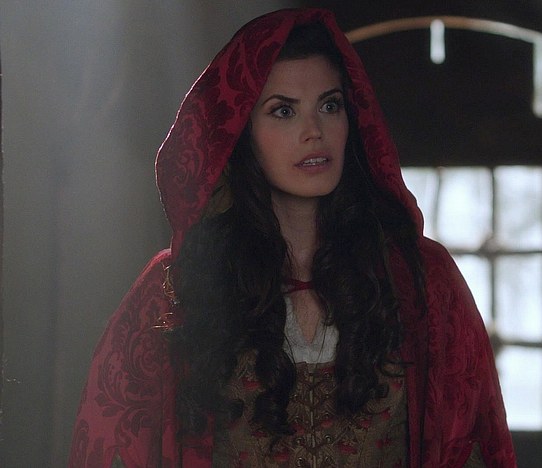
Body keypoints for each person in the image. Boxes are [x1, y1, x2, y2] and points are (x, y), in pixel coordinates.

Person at [70, 8, 516, 467]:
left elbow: (472, 447)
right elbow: (112, 447)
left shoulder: (422, 281)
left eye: (330, 106)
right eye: (284, 111)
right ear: (242, 133)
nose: (314, 132)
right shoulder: (175, 290)